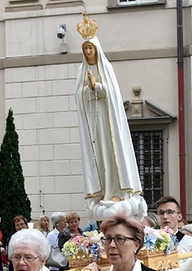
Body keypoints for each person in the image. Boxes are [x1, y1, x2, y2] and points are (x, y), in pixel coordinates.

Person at [75, 13, 146, 220]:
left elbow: (112, 94)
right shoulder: (82, 70)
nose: (88, 51)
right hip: (94, 124)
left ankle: (117, 191)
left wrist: (95, 86)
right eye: (85, 48)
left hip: (109, 124)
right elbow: (78, 96)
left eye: (91, 48)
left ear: (96, 49)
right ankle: (105, 191)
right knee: (100, 154)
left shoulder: (105, 68)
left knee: (112, 153)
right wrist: (87, 89)